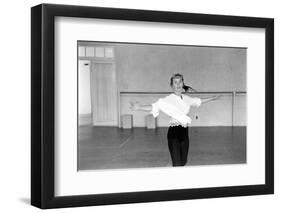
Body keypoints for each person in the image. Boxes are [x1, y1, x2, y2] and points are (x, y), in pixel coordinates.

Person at [130, 73, 220, 167]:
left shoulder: (187, 99)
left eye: (180, 81)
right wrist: (139, 107)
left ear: (183, 83)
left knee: (183, 162)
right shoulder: (167, 100)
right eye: (175, 82)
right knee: (177, 164)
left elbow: (199, 101)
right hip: (174, 133)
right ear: (172, 86)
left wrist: (212, 98)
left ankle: (172, 168)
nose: (178, 84)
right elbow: (154, 106)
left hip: (185, 133)